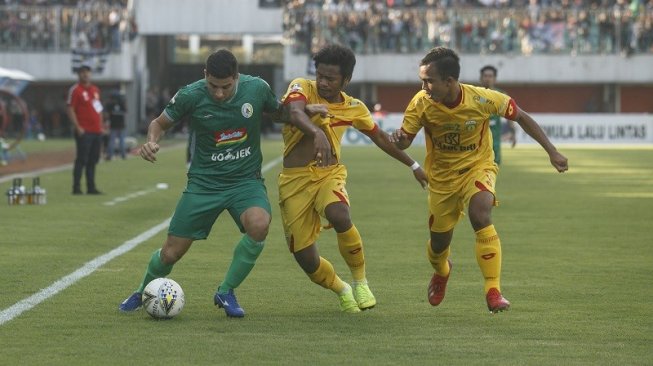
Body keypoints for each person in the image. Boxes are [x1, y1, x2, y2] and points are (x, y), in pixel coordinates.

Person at [118, 49, 314, 318]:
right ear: (205, 76)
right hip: (204, 184)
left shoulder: (256, 89)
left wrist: (303, 111)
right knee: (171, 253)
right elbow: (159, 123)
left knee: (259, 224)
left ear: (236, 77)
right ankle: (142, 291)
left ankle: (226, 291)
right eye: (213, 86)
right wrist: (152, 141)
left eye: (226, 86)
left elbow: (278, 113)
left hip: (245, 181)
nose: (219, 93)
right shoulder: (191, 94)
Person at [390, 47, 568, 313]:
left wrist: (551, 151)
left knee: (481, 214)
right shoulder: (421, 102)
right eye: (422, 81)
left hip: (478, 166)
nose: (423, 86)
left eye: (428, 81)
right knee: (439, 245)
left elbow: (520, 116)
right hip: (441, 179)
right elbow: (405, 140)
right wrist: (400, 140)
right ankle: (442, 271)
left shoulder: (483, 99)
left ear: (449, 81)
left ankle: (493, 290)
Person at [278, 44, 428, 313]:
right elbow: (294, 112)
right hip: (294, 181)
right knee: (305, 257)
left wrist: (413, 164)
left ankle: (360, 282)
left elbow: (380, 137)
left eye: (330, 78)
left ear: (346, 80)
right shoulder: (301, 86)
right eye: (320, 75)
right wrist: (317, 132)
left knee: (340, 215)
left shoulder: (354, 108)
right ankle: (342, 289)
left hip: (328, 174)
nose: (322, 82)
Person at [66, 64, 104, 195]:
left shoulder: (95, 90)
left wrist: (101, 126)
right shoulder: (76, 90)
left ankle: (91, 187)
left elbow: (99, 109)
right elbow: (70, 108)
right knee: (82, 159)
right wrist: (77, 127)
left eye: (87, 72)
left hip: (96, 131)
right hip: (84, 130)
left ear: (90, 74)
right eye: (82, 72)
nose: (85, 74)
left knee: (93, 160)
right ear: (78, 75)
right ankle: (76, 188)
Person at [479, 65, 516, 165]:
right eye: (485, 76)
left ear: (495, 78)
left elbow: (509, 115)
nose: (488, 78)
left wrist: (513, 132)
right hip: (477, 138)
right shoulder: (475, 94)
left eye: (490, 76)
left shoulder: (501, 95)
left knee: (494, 166)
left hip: (494, 137)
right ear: (481, 78)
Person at [104, 91, 127, 160]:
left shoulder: (110, 104)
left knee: (112, 141)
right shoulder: (122, 103)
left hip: (113, 125)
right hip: (121, 125)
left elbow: (107, 114)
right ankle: (123, 155)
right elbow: (126, 112)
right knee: (122, 141)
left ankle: (110, 155)